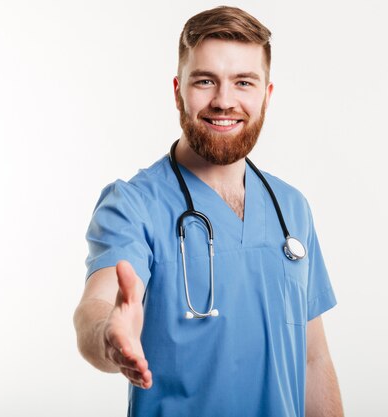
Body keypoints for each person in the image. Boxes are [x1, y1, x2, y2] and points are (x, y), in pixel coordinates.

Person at [73, 6, 343, 417]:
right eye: (205, 81)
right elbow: (98, 304)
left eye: (243, 82)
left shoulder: (291, 208)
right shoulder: (133, 205)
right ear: (178, 90)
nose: (224, 101)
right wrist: (108, 335)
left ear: (266, 95)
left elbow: (312, 360)